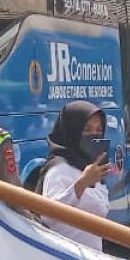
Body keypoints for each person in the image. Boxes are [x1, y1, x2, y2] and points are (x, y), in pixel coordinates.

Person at [39, 101, 114, 250]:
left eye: (99, 130)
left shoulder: (90, 165)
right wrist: (81, 185)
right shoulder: (59, 169)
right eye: (87, 130)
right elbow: (48, 214)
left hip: (91, 259)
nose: (94, 135)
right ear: (73, 131)